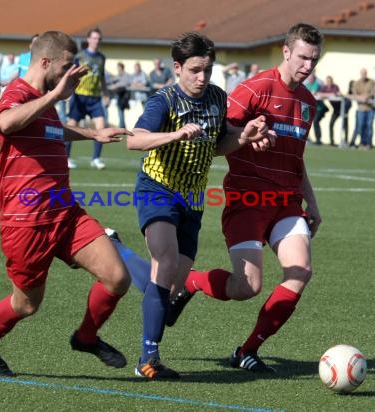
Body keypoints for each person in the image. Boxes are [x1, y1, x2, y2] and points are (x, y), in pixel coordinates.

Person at [0, 31, 132, 378]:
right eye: (67, 66)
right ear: (45, 63)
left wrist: (93, 134)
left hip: (64, 210)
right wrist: (57, 94)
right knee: (27, 304)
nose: (72, 73)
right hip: (26, 221)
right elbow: (6, 122)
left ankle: (86, 338)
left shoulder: (44, 99)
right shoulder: (17, 92)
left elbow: (52, 129)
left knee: (117, 277)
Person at [167, 23, 324, 374]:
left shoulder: (309, 103)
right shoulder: (254, 89)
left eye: (314, 59)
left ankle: (247, 350)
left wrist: (311, 202)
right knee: (247, 287)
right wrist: (247, 135)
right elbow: (218, 139)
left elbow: (297, 159)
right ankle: (192, 281)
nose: (308, 66)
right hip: (248, 197)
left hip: (286, 201)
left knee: (300, 272)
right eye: (302, 57)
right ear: (286, 52)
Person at [127, 32, 274, 380]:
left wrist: (244, 136)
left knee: (171, 285)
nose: (202, 77)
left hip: (192, 199)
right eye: (194, 70)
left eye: (207, 69)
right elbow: (134, 140)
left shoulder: (217, 99)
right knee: (163, 263)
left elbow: (219, 145)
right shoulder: (163, 101)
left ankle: (116, 251)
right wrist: (174, 135)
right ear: (177, 68)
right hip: (158, 189)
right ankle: (148, 359)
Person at [65, 27, 109, 170]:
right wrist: (67, 92)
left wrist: (106, 94)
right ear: (89, 39)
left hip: (95, 98)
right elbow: (72, 74)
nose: (96, 41)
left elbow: (102, 77)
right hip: (79, 96)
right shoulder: (80, 56)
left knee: (101, 127)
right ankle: (66, 158)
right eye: (94, 38)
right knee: (71, 126)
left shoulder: (102, 58)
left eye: (98, 38)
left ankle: (96, 159)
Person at [351, 68, 375, 149]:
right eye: (362, 73)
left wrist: (366, 96)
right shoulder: (356, 83)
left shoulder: (371, 82)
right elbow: (354, 93)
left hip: (370, 108)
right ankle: (362, 143)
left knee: (369, 126)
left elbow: (373, 92)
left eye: (365, 73)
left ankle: (368, 144)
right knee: (361, 126)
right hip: (361, 108)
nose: (364, 75)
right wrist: (361, 97)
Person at [317, 75, 342, 146]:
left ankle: (343, 141)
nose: (328, 83)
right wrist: (328, 94)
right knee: (331, 124)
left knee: (344, 124)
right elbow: (319, 94)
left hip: (341, 109)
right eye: (327, 81)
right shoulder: (325, 87)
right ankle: (332, 141)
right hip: (335, 110)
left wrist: (326, 95)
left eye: (330, 81)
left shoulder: (335, 87)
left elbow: (335, 94)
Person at [304, 71, 327, 145]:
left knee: (316, 122)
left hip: (318, 108)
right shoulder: (305, 84)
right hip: (308, 108)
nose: (310, 79)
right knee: (305, 123)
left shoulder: (317, 84)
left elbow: (313, 93)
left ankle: (318, 139)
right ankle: (307, 138)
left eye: (311, 77)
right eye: (309, 77)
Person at [107, 61, 131, 128]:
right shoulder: (117, 76)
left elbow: (125, 83)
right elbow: (111, 80)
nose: (117, 68)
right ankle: (122, 127)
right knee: (120, 112)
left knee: (121, 112)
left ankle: (122, 127)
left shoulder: (126, 75)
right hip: (118, 96)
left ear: (121, 67)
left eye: (118, 67)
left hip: (124, 96)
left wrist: (116, 86)